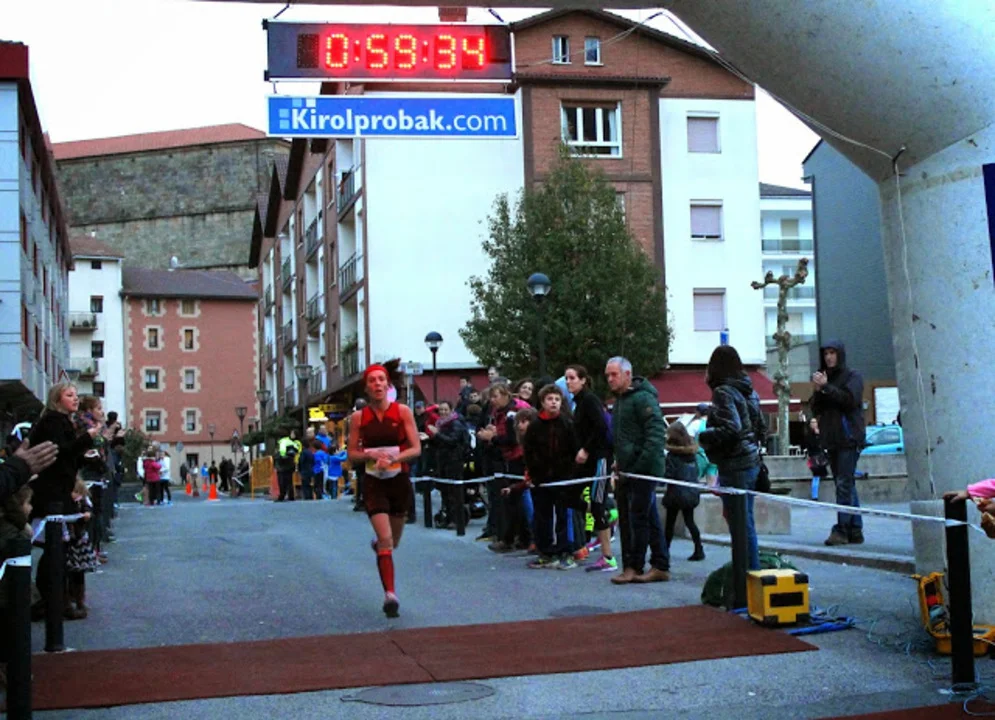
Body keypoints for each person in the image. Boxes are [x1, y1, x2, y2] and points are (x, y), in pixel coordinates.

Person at [347, 365, 421, 617]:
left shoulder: (402, 412)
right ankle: (390, 595)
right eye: (372, 381)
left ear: (388, 385)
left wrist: (393, 458)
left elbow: (416, 448)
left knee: (393, 541)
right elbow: (352, 453)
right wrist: (369, 454)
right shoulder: (359, 418)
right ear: (366, 388)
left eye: (381, 380)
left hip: (398, 481)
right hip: (373, 482)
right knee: (386, 539)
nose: (377, 384)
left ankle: (381, 545)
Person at [27, 383, 97, 616]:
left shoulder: (61, 421)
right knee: (55, 548)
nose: (76, 399)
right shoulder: (53, 422)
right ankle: (52, 602)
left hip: (58, 490)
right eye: (69, 395)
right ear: (57, 399)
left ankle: (57, 600)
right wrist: (87, 438)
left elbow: (68, 457)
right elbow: (61, 452)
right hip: (52, 493)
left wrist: (86, 455)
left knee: (58, 549)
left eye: (76, 395)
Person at [697, 345, 767, 571]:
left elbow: (732, 428)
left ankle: (746, 577)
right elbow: (761, 428)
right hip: (751, 462)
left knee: (740, 526)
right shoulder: (750, 391)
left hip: (735, 464)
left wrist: (704, 436)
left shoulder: (723, 392)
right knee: (746, 523)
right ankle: (750, 574)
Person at [604, 357, 670, 584]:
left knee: (636, 519)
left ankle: (634, 566)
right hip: (628, 469)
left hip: (642, 470)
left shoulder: (642, 398)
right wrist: (619, 461)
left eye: (614, 374)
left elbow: (655, 435)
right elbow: (624, 438)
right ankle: (660, 564)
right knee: (647, 517)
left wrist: (638, 465)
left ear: (627, 374)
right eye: (608, 375)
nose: (610, 379)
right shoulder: (620, 401)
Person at [811, 340, 866, 545]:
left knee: (843, 483)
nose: (828, 357)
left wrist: (827, 387)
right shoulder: (825, 378)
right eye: (826, 353)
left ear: (839, 354)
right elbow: (816, 408)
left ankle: (842, 529)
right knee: (845, 483)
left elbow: (850, 400)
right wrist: (819, 390)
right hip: (832, 438)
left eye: (832, 353)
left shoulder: (853, 376)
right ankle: (855, 528)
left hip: (848, 437)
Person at [521, 384, 581, 569]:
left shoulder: (567, 423)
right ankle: (546, 552)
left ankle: (565, 552)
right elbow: (529, 451)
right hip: (541, 478)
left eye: (557, 399)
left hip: (563, 477)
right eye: (550, 399)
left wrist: (571, 472)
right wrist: (532, 472)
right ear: (542, 402)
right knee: (543, 516)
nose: (553, 403)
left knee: (564, 515)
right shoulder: (535, 426)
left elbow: (574, 449)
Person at [565, 364, 615, 572]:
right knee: (568, 495)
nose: (568, 382)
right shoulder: (577, 403)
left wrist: (586, 449)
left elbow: (600, 428)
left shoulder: (590, 400)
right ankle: (606, 512)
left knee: (596, 504)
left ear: (583, 380)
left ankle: (608, 557)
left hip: (599, 459)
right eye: (566, 378)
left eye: (572, 378)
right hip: (584, 461)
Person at [662, 423, 706, 562]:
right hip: (690, 492)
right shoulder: (692, 454)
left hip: (675, 494)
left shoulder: (672, 456)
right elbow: (697, 472)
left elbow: (668, 475)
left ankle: (664, 552)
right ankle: (699, 549)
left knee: (670, 523)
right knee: (690, 521)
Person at [432, 400, 469, 529]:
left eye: (445, 409)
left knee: (453, 492)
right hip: (443, 460)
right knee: (445, 491)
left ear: (451, 410)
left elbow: (453, 441)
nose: (443, 412)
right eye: (441, 410)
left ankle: (455, 519)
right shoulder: (440, 424)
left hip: (454, 460)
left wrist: (437, 434)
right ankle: (447, 517)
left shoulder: (456, 423)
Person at [805, 417, 829, 502]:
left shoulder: (820, 433)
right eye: (812, 422)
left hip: (821, 456)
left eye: (815, 422)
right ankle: (814, 496)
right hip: (814, 457)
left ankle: (814, 495)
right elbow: (811, 445)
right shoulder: (809, 435)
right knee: (816, 476)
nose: (814, 424)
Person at [275, 430, 301, 502]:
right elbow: (296, 452)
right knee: (289, 481)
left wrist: (281, 457)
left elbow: (282, 452)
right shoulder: (295, 443)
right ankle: (290, 496)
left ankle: (282, 496)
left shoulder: (284, 441)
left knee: (282, 480)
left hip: (283, 463)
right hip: (289, 463)